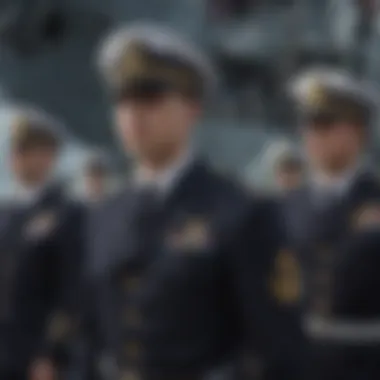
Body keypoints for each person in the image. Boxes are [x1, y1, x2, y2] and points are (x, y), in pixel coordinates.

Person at [82, 23, 305, 380]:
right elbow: (92, 334)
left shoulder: (240, 211)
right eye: (123, 101)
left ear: (191, 109)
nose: (134, 115)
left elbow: (279, 347)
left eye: (150, 98)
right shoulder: (103, 215)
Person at [284, 67, 380, 380]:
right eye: (308, 125)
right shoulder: (287, 205)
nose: (313, 135)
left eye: (324, 124)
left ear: (358, 131)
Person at [0, 107, 85, 380]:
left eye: (27, 150)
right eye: (17, 150)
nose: (18, 157)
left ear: (49, 156)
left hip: (36, 357)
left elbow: (71, 291)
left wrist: (52, 353)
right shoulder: (8, 214)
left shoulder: (67, 214)